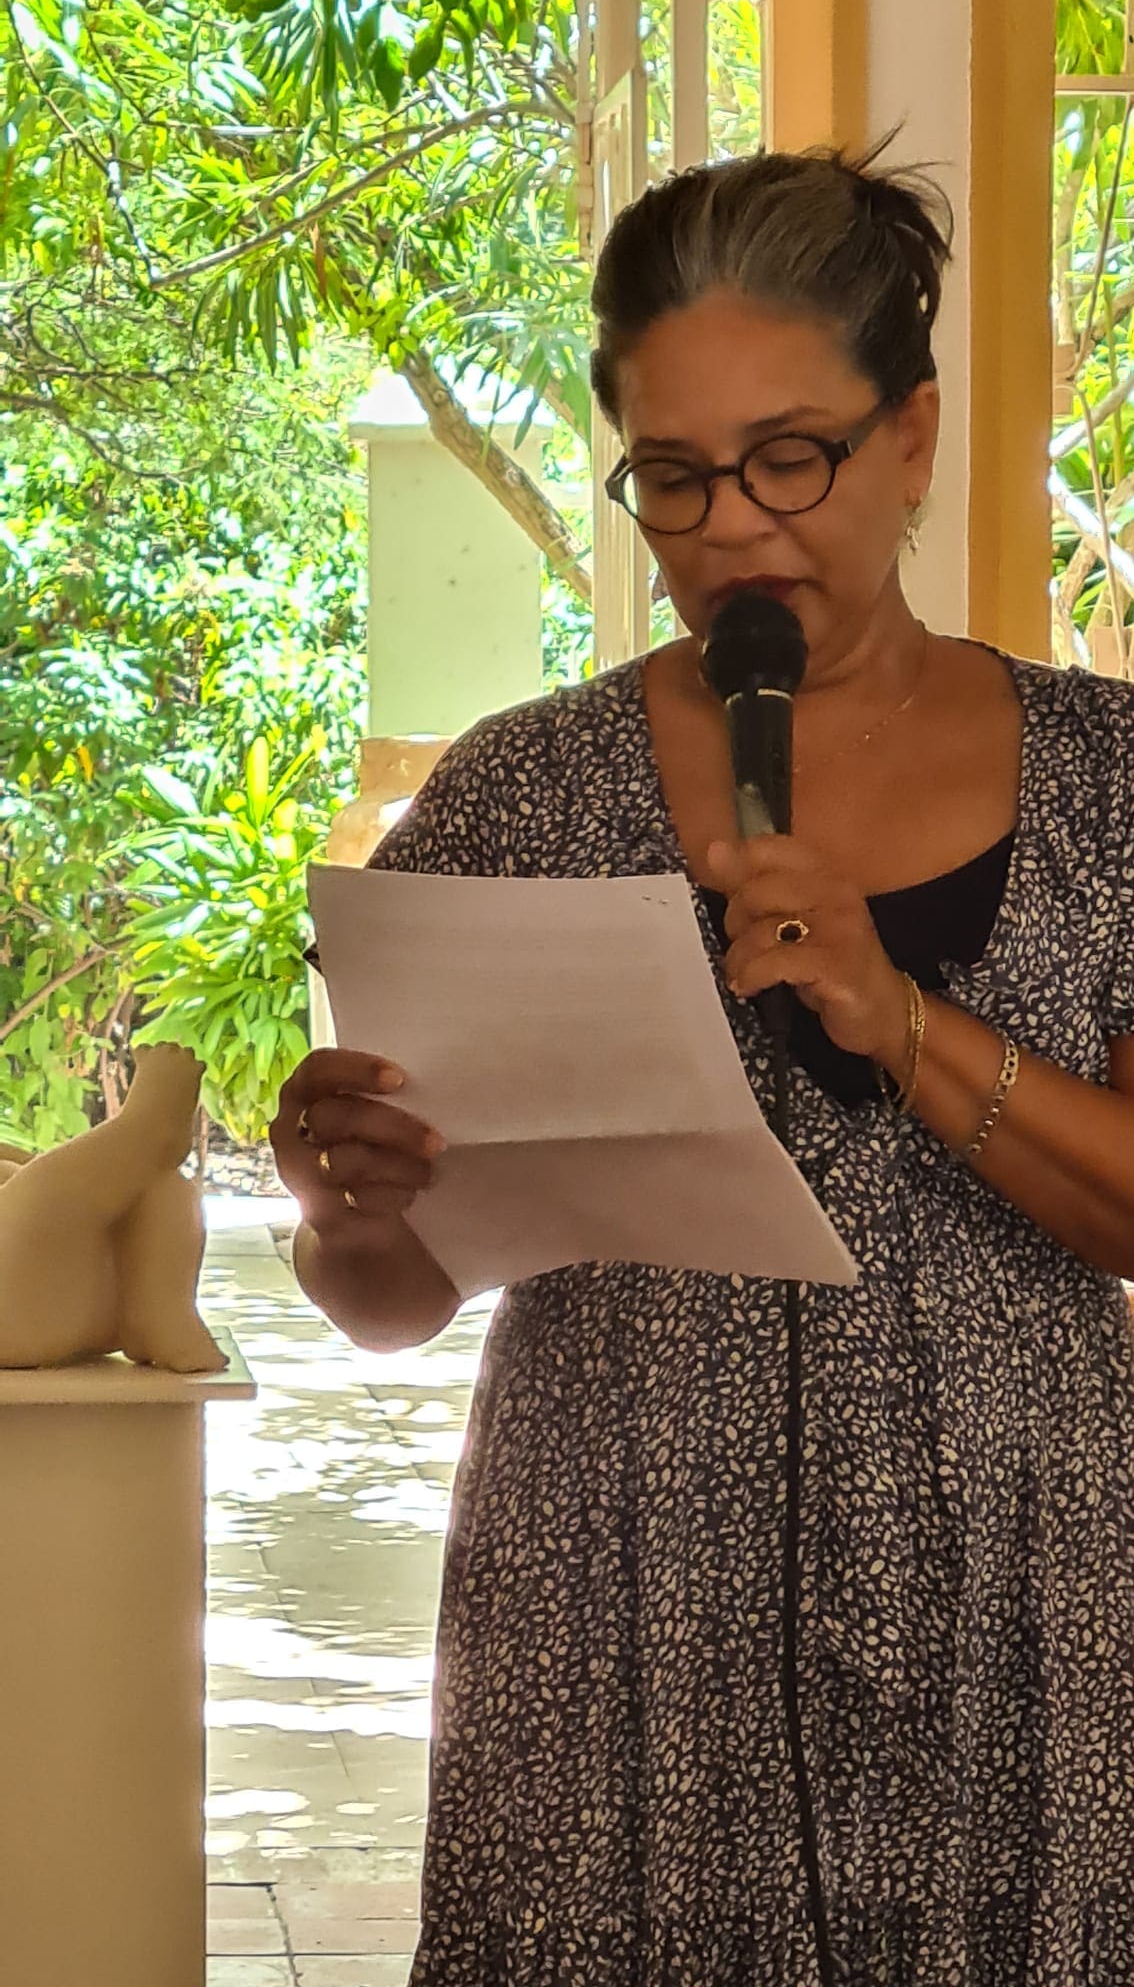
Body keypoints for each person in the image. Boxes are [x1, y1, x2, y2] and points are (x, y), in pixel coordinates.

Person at [270, 144, 1134, 1985]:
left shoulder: (1108, 780)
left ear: (909, 438)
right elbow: (387, 1301)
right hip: (614, 1597)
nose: (731, 529)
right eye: (672, 477)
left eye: (787, 457)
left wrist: (903, 1020)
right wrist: (342, 1202)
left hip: (1017, 1591)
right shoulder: (515, 795)